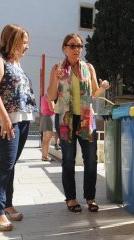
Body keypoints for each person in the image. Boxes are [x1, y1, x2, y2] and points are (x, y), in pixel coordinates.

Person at [0, 24, 37, 231]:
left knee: (10, 164)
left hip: (20, 119)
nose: (27, 46)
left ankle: (8, 204)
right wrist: (5, 119)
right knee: (4, 163)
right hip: (5, 120)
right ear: (12, 40)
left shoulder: (15, 62)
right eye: (24, 41)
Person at [47, 33, 109, 213]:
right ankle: (71, 199)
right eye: (72, 46)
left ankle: (90, 198)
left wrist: (103, 87)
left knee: (91, 159)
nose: (77, 49)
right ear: (64, 48)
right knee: (68, 160)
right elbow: (51, 96)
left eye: (79, 46)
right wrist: (56, 79)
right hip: (66, 119)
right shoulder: (57, 68)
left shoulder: (88, 68)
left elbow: (94, 93)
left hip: (86, 118)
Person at [39, 94, 55, 161]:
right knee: (48, 139)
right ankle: (46, 157)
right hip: (49, 118)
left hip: (44, 117)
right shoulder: (50, 97)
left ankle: (43, 156)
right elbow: (52, 109)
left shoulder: (43, 98)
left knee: (44, 139)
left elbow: (42, 110)